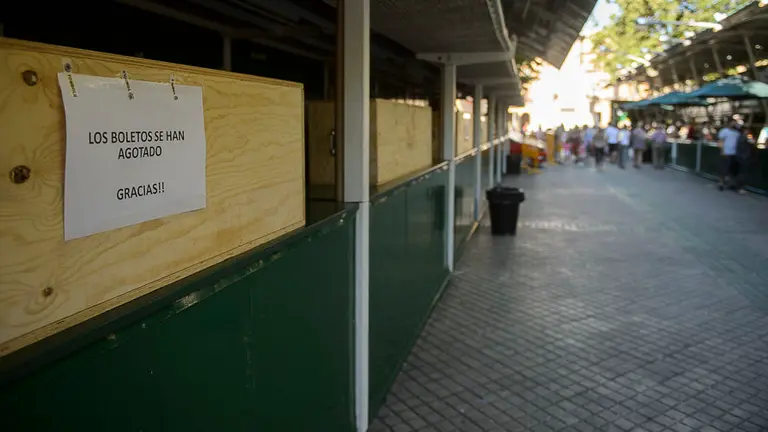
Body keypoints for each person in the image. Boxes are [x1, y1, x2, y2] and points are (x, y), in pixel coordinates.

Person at [717, 120, 746, 194]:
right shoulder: (724, 131)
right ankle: (721, 183)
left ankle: (731, 183)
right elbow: (720, 141)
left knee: (732, 170)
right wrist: (722, 151)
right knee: (724, 169)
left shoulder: (737, 133)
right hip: (726, 153)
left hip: (735, 153)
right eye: (732, 123)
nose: (734, 124)